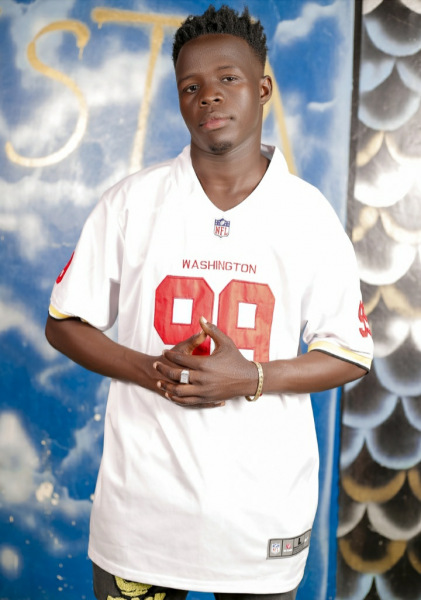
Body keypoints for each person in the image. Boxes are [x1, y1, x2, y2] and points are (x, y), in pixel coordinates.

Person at [45, 5, 373, 600]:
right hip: (142, 517)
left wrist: (248, 377)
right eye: (190, 86)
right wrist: (153, 369)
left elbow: (350, 354)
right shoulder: (132, 202)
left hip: (260, 517)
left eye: (228, 78)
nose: (209, 96)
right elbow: (64, 323)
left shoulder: (307, 216)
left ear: (262, 89)